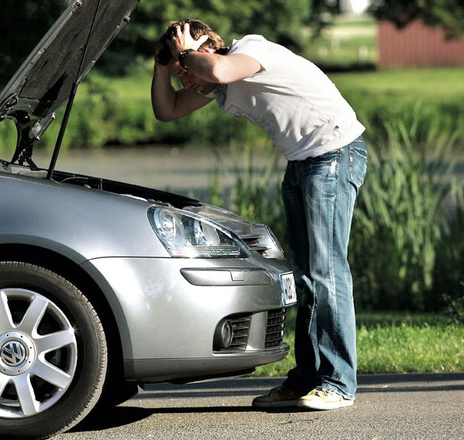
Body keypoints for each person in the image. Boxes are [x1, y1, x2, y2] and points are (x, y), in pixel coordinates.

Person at [151, 19, 367, 411]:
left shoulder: (250, 50)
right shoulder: (217, 88)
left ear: (205, 49)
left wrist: (185, 54)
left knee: (326, 273)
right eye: (182, 75)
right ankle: (306, 380)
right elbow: (167, 111)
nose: (187, 81)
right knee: (307, 278)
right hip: (302, 164)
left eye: (188, 70)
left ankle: (338, 383)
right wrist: (162, 65)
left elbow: (217, 70)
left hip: (334, 155)